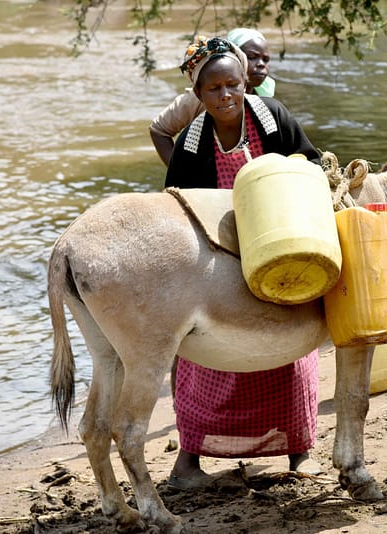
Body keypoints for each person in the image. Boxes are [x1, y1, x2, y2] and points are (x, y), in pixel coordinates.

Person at [164, 36, 323, 489]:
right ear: (198, 96)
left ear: (246, 82)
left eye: (233, 84)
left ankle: (300, 454)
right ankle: (188, 464)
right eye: (214, 90)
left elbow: (310, 163)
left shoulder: (273, 119)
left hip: (277, 247)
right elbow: (176, 208)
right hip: (220, 258)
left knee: (290, 351)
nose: (226, 95)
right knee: (206, 358)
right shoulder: (191, 145)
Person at [150, 29, 276, 166]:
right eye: (252, 57)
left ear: (244, 84)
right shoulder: (197, 100)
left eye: (266, 59)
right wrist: (178, 173)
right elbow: (159, 130)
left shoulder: (266, 102)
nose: (260, 64)